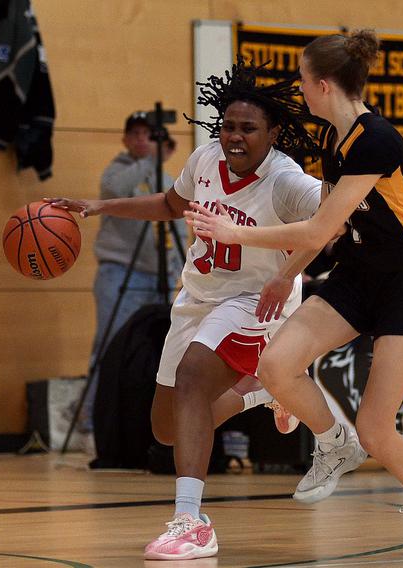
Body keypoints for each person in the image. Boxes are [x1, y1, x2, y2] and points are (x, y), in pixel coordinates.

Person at [185, 30, 403, 556]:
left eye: (303, 79)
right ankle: (334, 445)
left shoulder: (376, 140)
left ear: (323, 83)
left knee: (378, 429)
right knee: (275, 366)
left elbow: (314, 230)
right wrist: (285, 274)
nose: (299, 89)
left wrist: (235, 234)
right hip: (358, 275)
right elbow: (327, 229)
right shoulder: (336, 138)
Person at [45, 60, 325, 561]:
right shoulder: (204, 159)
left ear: (274, 132)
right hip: (198, 296)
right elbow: (172, 204)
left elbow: (330, 223)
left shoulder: (286, 181)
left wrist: (287, 275)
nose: (235, 138)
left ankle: (191, 521)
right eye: (228, 127)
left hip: (257, 299)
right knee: (167, 428)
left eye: (249, 129)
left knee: (196, 374)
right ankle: (265, 392)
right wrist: (99, 206)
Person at [79, 111, 184, 435]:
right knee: (109, 345)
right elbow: (118, 191)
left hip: (159, 276)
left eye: (148, 135)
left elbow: (177, 223)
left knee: (157, 350)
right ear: (125, 140)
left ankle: (140, 425)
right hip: (120, 273)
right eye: (135, 134)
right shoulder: (116, 173)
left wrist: (178, 271)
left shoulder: (168, 182)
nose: (142, 140)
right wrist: (152, 158)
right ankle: (91, 424)